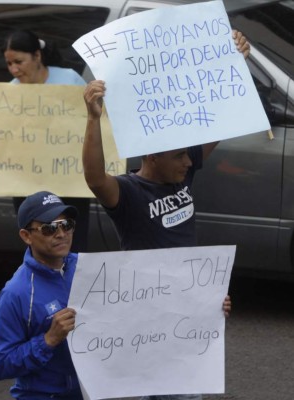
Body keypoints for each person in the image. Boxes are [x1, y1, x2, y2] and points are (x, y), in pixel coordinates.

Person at [81, 31, 249, 400]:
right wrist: (93, 119)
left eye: (189, 156)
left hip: (186, 311)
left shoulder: (183, 173)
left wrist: (235, 62)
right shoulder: (127, 192)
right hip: (142, 317)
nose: (190, 163)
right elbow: (94, 177)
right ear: (151, 156)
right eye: (180, 156)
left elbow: (219, 122)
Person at [0, 29, 90, 253]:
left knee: (73, 245)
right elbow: (3, 139)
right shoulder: (10, 93)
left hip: (70, 183)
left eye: (19, 61)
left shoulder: (69, 79)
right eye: (9, 63)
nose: (14, 69)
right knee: (40, 246)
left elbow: (94, 120)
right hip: (28, 187)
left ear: (37, 56)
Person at [0, 191, 83, 400]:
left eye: (66, 225)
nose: (61, 234)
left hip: (87, 391)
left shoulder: (87, 268)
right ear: (26, 236)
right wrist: (48, 339)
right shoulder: (16, 293)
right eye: (49, 228)